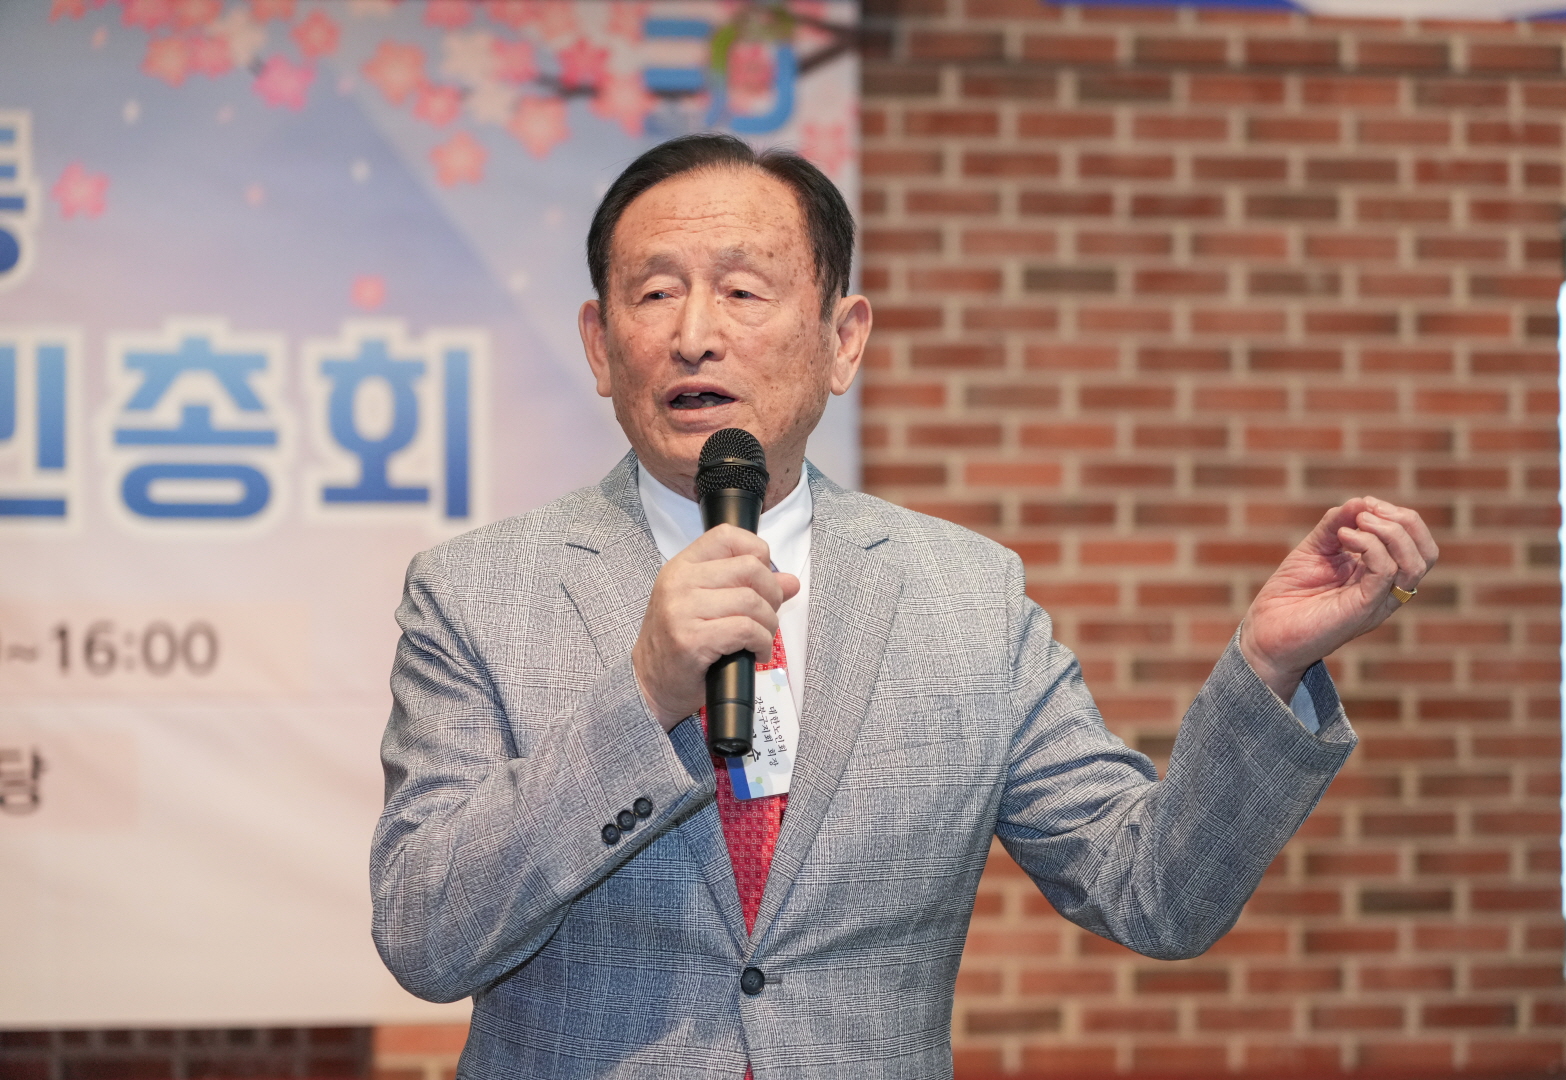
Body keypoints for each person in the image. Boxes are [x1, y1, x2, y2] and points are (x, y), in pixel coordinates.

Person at [370, 133, 1438, 1079]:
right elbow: (425, 934)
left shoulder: (967, 595)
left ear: (843, 339)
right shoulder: (476, 595)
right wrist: (642, 698)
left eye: (742, 291)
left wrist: (1266, 668)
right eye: (654, 295)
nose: (695, 333)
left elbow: (1152, 891)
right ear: (601, 346)